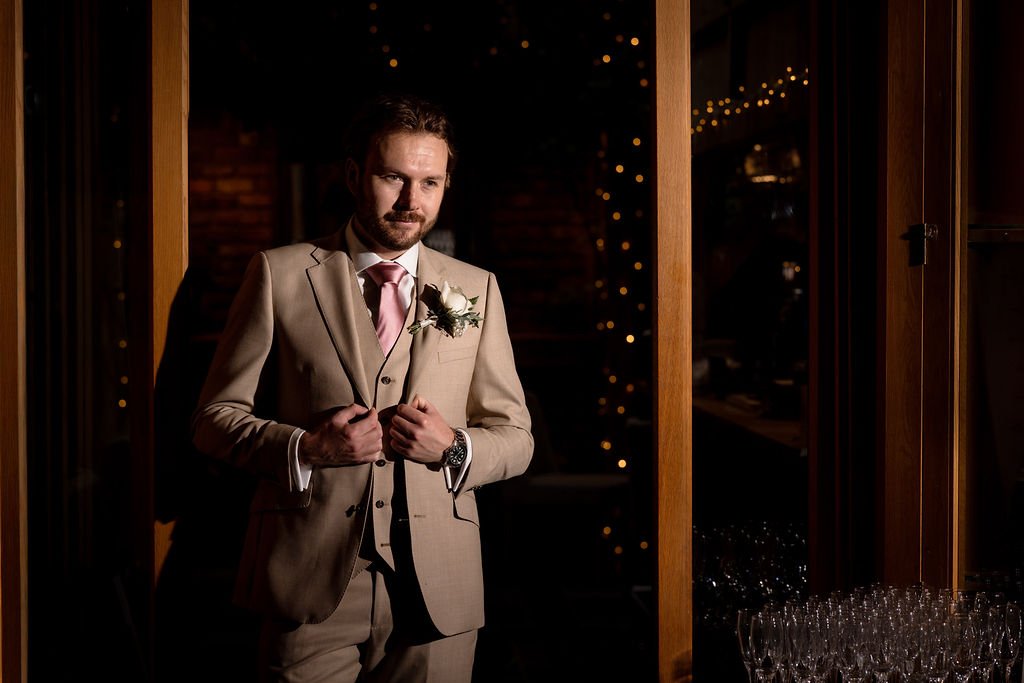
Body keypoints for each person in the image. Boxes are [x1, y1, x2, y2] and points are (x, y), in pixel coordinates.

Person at [191, 92, 534, 682]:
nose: (411, 201)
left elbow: (518, 437)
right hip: (309, 581)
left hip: (438, 593)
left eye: (430, 182)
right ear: (354, 175)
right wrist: (306, 448)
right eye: (393, 177)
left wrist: (454, 447)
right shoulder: (279, 274)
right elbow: (214, 418)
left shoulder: (476, 288)